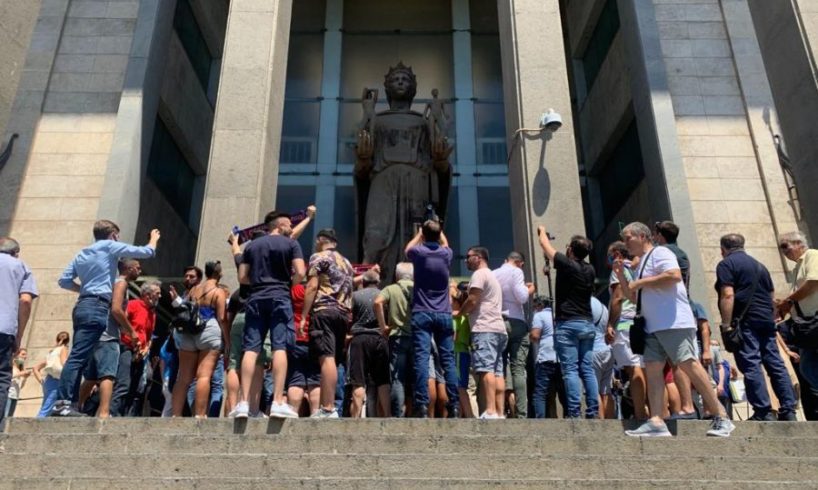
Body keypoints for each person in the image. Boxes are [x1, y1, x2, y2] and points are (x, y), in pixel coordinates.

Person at [615, 222, 733, 437]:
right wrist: (623, 277)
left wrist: (640, 281)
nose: (625, 244)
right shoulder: (641, 263)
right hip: (653, 325)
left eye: (628, 238)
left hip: (673, 322)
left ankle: (721, 415)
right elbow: (633, 296)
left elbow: (673, 275)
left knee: (689, 365)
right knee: (653, 370)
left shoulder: (661, 252)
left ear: (642, 236)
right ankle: (657, 420)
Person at [54, 221, 159, 416]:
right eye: (117, 236)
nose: (118, 240)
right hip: (97, 306)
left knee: (81, 356)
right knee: (78, 357)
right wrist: (153, 239)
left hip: (83, 305)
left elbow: (64, 280)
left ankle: (70, 404)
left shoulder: (81, 253)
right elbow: (147, 252)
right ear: (112, 235)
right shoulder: (109, 246)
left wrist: (84, 290)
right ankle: (63, 404)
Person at [714, 234, 797, 421]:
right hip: (766, 320)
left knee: (751, 363)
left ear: (722, 249)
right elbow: (771, 295)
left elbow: (728, 295)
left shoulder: (726, 265)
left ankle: (763, 411)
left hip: (745, 321)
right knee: (775, 363)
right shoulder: (760, 266)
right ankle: (788, 409)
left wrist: (726, 325)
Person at [234, 211, 305, 419]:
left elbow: (242, 277)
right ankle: (277, 401)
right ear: (279, 225)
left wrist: (259, 281)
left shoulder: (252, 246)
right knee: (279, 346)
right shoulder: (291, 244)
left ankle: (244, 403)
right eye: (289, 224)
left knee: (250, 348)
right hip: (280, 297)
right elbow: (300, 272)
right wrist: (288, 285)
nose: (291, 228)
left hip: (256, 298)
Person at [536, 226, 599, 419]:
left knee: (570, 369)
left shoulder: (567, 264)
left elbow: (545, 245)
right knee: (587, 369)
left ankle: (574, 411)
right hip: (587, 323)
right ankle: (593, 410)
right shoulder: (590, 269)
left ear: (571, 249)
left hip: (568, 324)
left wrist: (542, 231)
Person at [404, 221, 459, 418]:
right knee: (448, 360)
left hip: (422, 311)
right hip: (444, 312)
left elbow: (408, 248)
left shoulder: (419, 253)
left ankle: (421, 404)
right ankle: (453, 404)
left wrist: (420, 233)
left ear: (424, 236)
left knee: (421, 358)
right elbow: (445, 243)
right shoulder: (446, 254)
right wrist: (437, 231)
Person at [301, 228, 354, 419]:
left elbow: (312, 286)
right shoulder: (347, 263)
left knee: (326, 357)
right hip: (342, 314)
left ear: (321, 240)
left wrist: (305, 315)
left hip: (323, 310)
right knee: (333, 359)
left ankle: (328, 407)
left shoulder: (318, 257)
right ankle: (328, 406)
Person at [172, 261, 227, 417]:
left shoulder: (194, 289)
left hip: (190, 331)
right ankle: (200, 415)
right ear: (219, 274)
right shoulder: (218, 291)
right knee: (204, 375)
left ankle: (175, 415)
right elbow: (222, 318)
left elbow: (184, 307)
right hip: (209, 329)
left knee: (183, 378)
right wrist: (227, 341)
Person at [460, 246, 507, 419]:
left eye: (468, 256)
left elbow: (472, 300)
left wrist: (461, 313)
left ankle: (490, 410)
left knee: (486, 369)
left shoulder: (479, 275)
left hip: (484, 327)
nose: (466, 260)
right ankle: (500, 412)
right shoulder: (493, 275)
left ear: (478, 257)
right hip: (499, 328)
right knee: (497, 372)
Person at [605, 241, 647, 420]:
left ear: (616, 254)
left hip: (624, 324)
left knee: (633, 368)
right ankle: (657, 412)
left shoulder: (618, 270)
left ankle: (639, 415)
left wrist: (610, 325)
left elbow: (617, 299)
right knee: (646, 369)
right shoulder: (639, 268)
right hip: (642, 323)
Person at [776, 231, 818, 408]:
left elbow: (814, 282)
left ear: (799, 243)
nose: (784, 251)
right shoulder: (796, 269)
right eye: (781, 248)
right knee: (807, 367)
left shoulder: (812, 255)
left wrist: (789, 300)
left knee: (808, 366)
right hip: (806, 326)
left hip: (815, 320)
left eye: (786, 246)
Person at [0, 236, 38, 427]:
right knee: (1, 379)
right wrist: (19, 335)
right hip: (4, 329)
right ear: (16, 253)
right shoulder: (20, 266)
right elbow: (25, 301)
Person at [493, 251, 535, 418]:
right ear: (520, 263)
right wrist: (530, 289)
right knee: (518, 370)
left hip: (498, 321)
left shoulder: (494, 273)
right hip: (516, 321)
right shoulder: (516, 271)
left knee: (499, 368)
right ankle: (521, 414)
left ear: (506, 259)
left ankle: (499, 411)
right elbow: (522, 297)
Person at [374, 262, 415, 417]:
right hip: (416, 337)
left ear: (397, 275)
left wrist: (383, 326)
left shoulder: (391, 289)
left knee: (398, 378)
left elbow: (377, 302)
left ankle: (397, 415)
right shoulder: (417, 289)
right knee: (415, 377)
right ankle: (416, 412)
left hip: (397, 336)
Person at [115, 280, 161, 416]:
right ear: (148, 295)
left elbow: (149, 335)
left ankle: (127, 417)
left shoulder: (152, 314)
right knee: (123, 384)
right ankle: (113, 414)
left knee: (136, 387)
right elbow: (121, 324)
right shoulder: (132, 305)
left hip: (140, 354)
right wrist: (132, 341)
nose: (160, 296)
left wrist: (146, 349)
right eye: (157, 293)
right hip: (126, 347)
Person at [348, 270, 390, 417]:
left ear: (363, 282)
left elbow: (349, 316)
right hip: (379, 338)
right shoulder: (384, 294)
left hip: (359, 338)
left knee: (358, 380)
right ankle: (388, 415)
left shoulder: (355, 296)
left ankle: (355, 417)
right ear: (378, 282)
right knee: (383, 380)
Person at [530, 296, 566, 418]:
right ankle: (569, 416)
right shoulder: (558, 316)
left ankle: (540, 419)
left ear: (540, 306)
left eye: (535, 306)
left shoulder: (539, 316)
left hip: (545, 357)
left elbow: (535, 335)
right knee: (563, 391)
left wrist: (530, 336)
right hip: (561, 357)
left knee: (540, 392)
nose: (534, 309)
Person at [451, 281, 474, 418]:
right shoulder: (465, 316)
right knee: (460, 386)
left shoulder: (457, 318)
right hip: (464, 351)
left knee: (460, 387)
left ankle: (469, 415)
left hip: (458, 351)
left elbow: (454, 336)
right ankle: (460, 414)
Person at [33, 332, 70, 418]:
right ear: (68, 340)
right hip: (57, 379)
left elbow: (35, 368)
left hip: (48, 380)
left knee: (46, 405)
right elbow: (64, 363)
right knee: (48, 407)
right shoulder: (63, 349)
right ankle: (36, 426)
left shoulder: (52, 351)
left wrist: (41, 381)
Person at [590, 297, 612, 418]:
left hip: (594, 350)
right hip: (607, 349)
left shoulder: (588, 303)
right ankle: (611, 423)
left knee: (595, 391)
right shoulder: (603, 306)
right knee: (606, 391)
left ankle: (600, 424)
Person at [5, 348, 31, 419]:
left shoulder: (19, 369)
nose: (24, 357)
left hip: (15, 396)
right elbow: (7, 377)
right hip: (8, 395)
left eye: (25, 355)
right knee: (5, 416)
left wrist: (25, 378)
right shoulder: (10, 366)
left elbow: (20, 386)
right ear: (16, 355)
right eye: (23, 354)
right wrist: (21, 373)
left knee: (9, 418)